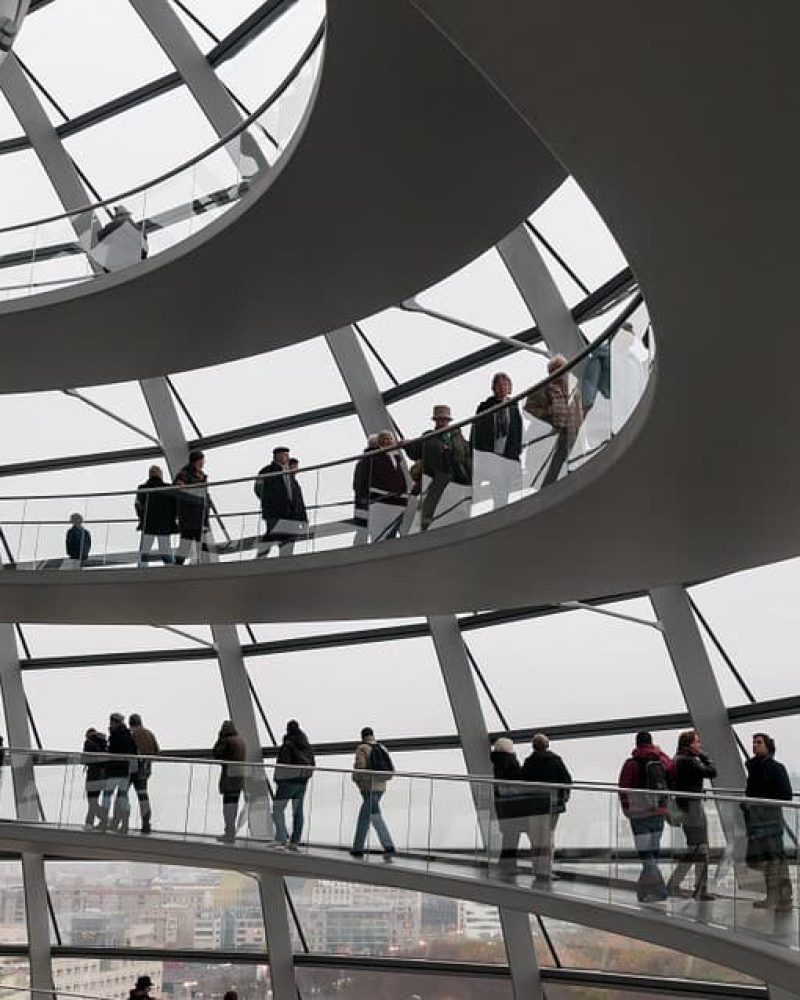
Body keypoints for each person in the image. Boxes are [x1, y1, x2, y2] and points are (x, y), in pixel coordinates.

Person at [618, 731, 673, 902]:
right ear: (652, 742)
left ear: (636, 744)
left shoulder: (631, 764)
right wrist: (660, 751)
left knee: (646, 855)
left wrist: (627, 810)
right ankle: (643, 892)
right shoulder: (660, 760)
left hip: (639, 814)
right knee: (652, 854)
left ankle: (661, 891)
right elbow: (672, 768)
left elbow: (623, 788)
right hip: (658, 812)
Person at [743, 732, 793, 912]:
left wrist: (761, 803)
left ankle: (781, 898)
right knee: (766, 860)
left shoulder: (775, 768)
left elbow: (785, 794)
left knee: (774, 860)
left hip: (769, 820)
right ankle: (776, 897)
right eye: (753, 743)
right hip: (758, 820)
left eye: (758, 742)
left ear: (768, 746)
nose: (755, 745)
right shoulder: (754, 768)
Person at [667, 729, 717, 900]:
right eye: (697, 742)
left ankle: (681, 884)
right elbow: (712, 771)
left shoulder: (677, 759)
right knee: (700, 848)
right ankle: (697, 888)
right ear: (688, 745)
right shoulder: (688, 760)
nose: (700, 745)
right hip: (693, 808)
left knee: (696, 848)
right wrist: (704, 756)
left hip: (685, 806)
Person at [404, 405, 472, 529]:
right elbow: (415, 452)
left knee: (455, 501)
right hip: (439, 474)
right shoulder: (429, 437)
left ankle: (456, 518)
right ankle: (427, 520)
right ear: (435, 421)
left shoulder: (457, 436)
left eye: (445, 420)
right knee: (436, 496)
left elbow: (467, 453)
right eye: (440, 420)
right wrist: (406, 445)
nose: (442, 422)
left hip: (457, 475)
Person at [524, 354, 583, 487]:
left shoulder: (574, 389)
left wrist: (580, 433)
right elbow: (528, 410)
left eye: (563, 368)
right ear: (550, 372)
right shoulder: (543, 388)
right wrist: (547, 412)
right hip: (552, 434)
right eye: (556, 369)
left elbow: (578, 414)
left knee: (568, 465)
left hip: (571, 433)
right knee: (552, 467)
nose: (561, 372)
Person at [521, 733, 572, 883]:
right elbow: (567, 780)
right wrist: (565, 797)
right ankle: (546, 870)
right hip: (552, 806)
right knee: (548, 837)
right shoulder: (555, 761)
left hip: (534, 806)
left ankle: (536, 869)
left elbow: (522, 783)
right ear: (547, 745)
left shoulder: (529, 762)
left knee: (536, 839)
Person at [470, 372, 522, 509]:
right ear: (493, 388)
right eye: (499, 384)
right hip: (491, 454)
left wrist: (517, 452)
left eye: (505, 384)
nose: (502, 387)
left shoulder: (513, 406)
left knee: (505, 486)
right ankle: (499, 510)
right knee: (497, 485)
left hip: (508, 454)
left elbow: (517, 430)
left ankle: (502, 509)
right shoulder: (485, 406)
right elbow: (476, 431)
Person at [351, 431, 408, 542]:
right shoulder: (374, 459)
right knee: (376, 528)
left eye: (389, 439)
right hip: (378, 500)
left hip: (381, 500)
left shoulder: (389, 458)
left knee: (367, 529)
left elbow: (359, 483)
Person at [350, 727, 396, 858]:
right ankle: (358, 847)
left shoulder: (362, 748)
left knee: (375, 815)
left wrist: (355, 779)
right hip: (380, 787)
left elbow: (360, 768)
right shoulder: (382, 748)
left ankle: (389, 846)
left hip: (368, 787)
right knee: (365, 815)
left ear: (362, 736)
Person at [254, 447, 308, 557]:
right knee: (272, 535)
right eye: (285, 455)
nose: (287, 457)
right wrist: (269, 503)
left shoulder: (290, 476)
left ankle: (285, 561)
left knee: (288, 539)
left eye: (287, 455)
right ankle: (260, 559)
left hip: (291, 514)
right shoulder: (267, 471)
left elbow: (297, 499)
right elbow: (258, 489)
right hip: (274, 512)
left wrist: (303, 518)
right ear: (277, 456)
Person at [272, 720, 315, 850]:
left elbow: (283, 764)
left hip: (288, 782)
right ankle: (295, 841)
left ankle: (281, 838)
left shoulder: (288, 744)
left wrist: (278, 779)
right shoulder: (306, 745)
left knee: (277, 809)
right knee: (298, 812)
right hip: (302, 782)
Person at [490, 736, 527, 872]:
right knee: (513, 835)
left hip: (502, 804)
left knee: (508, 835)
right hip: (513, 804)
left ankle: (505, 863)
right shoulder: (509, 761)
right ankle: (509, 865)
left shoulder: (497, 761)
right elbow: (519, 779)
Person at [174, 450, 212, 564]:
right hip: (189, 516)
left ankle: (205, 567)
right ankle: (177, 567)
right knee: (187, 544)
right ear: (196, 461)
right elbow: (179, 489)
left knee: (201, 544)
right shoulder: (184, 474)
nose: (203, 463)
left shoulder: (201, 476)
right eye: (202, 460)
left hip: (200, 515)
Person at [103, 713, 137, 834]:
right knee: (123, 798)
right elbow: (134, 752)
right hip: (125, 772)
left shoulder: (116, 735)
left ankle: (103, 822)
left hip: (114, 771)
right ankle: (125, 825)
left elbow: (111, 752)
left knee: (107, 795)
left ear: (114, 722)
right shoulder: (128, 735)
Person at [213, 720, 247, 843]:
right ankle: (231, 832)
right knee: (234, 806)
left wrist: (219, 739)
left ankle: (229, 833)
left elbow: (217, 753)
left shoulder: (227, 741)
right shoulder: (241, 740)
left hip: (229, 778)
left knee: (228, 808)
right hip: (239, 779)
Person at [135, 465, 176, 566]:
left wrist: (142, 518)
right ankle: (171, 570)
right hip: (164, 524)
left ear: (149, 475)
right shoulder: (168, 488)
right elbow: (174, 506)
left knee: (144, 550)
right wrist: (172, 518)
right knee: (165, 549)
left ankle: (142, 571)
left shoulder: (142, 488)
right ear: (160, 475)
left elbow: (138, 505)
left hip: (148, 523)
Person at [129, 713, 160, 834]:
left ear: (131, 724)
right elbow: (157, 751)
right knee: (143, 797)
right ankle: (146, 823)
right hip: (145, 770)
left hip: (134, 770)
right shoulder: (149, 733)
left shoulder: (133, 735)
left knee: (122, 794)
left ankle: (120, 821)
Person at [352, 434, 379, 544]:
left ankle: (357, 552)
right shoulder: (376, 459)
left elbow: (356, 484)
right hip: (371, 501)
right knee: (376, 529)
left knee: (362, 531)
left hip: (362, 502)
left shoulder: (362, 461)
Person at [82, 727, 108, 830]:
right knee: (94, 800)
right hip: (103, 776)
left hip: (93, 775)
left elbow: (84, 759)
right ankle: (103, 819)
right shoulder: (104, 742)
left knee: (91, 800)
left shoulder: (88, 742)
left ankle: (91, 822)